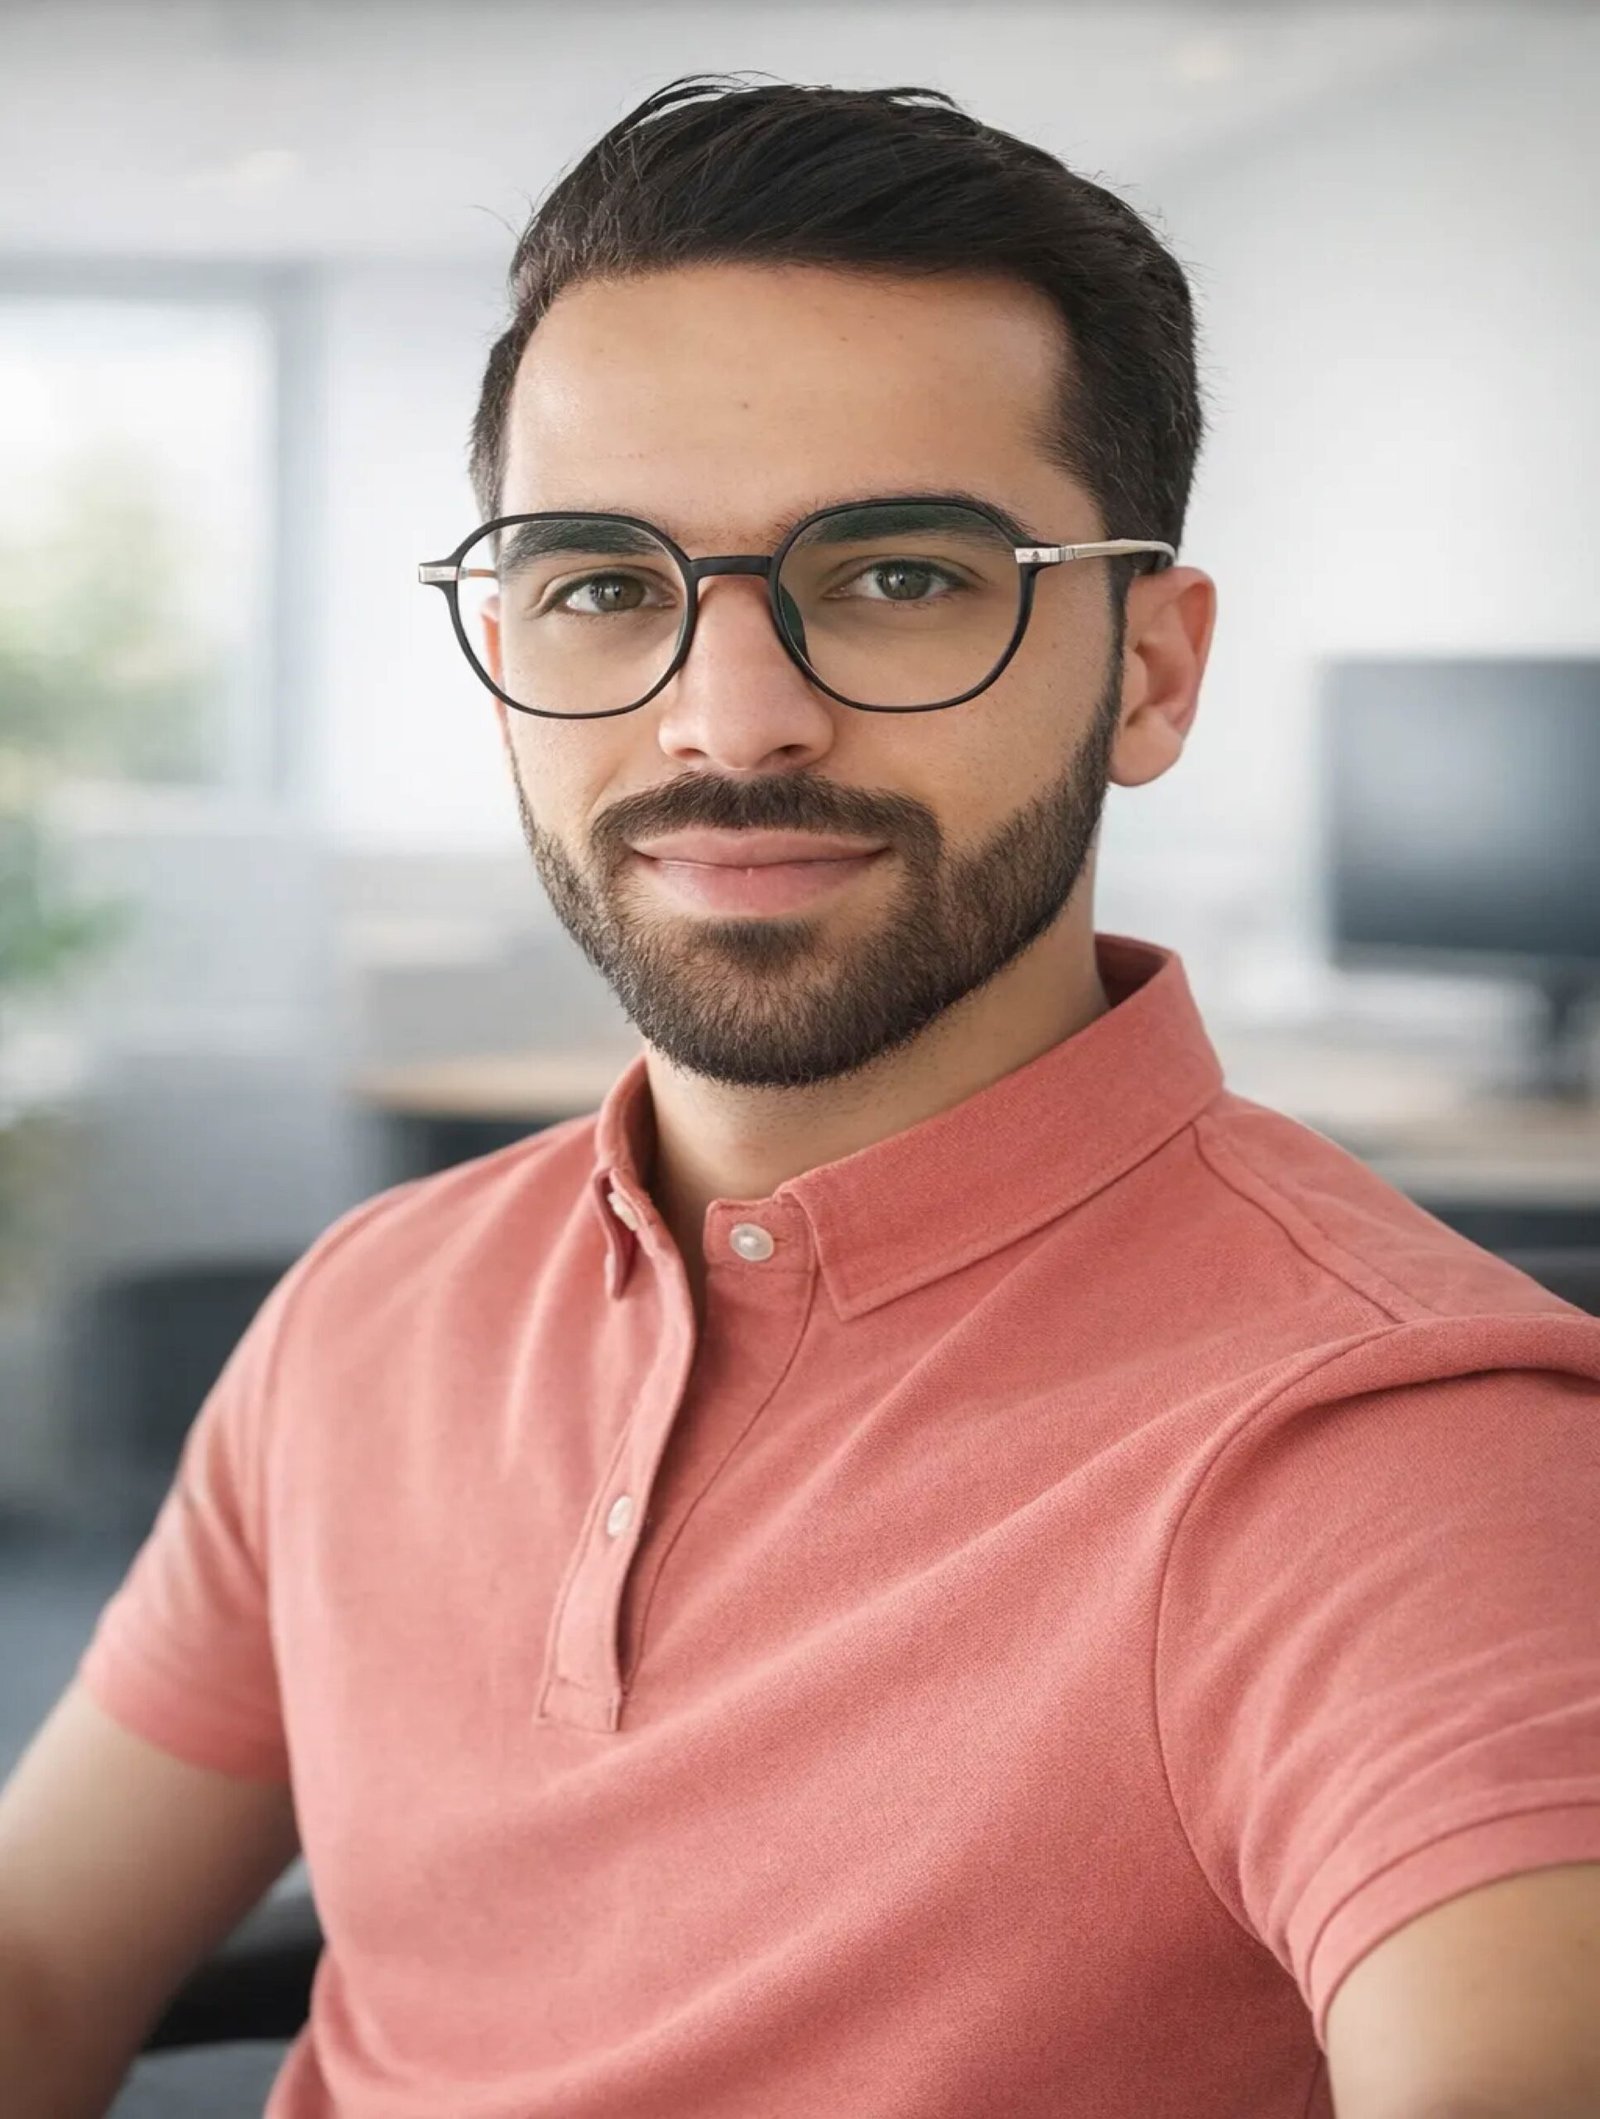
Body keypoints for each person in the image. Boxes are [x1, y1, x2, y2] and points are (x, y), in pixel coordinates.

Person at [3, 71, 1599, 2119]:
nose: (728, 720)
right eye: (600, 582)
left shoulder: (1397, 1460)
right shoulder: (362, 1314)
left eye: (898, 577)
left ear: (1147, 672)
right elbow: (46, 1951)